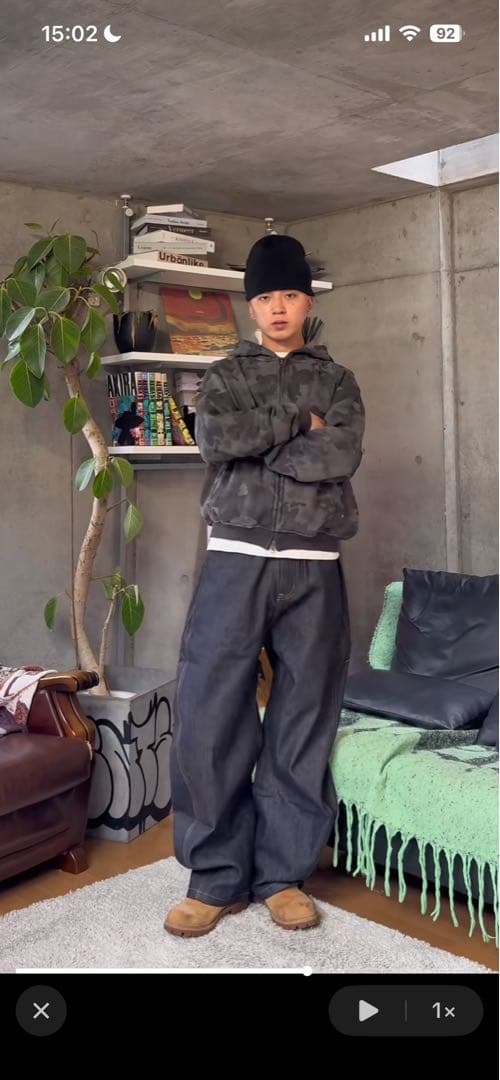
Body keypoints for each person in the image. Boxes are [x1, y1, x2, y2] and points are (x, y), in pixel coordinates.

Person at [165, 234, 365, 937]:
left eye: (290, 295)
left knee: (303, 717)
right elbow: (216, 441)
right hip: (235, 558)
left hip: (315, 565)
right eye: (266, 297)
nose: (278, 308)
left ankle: (282, 875)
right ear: (251, 307)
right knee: (210, 714)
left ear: (307, 302)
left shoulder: (338, 381)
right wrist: (294, 424)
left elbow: (340, 453)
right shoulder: (224, 375)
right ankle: (216, 877)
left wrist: (262, 445)